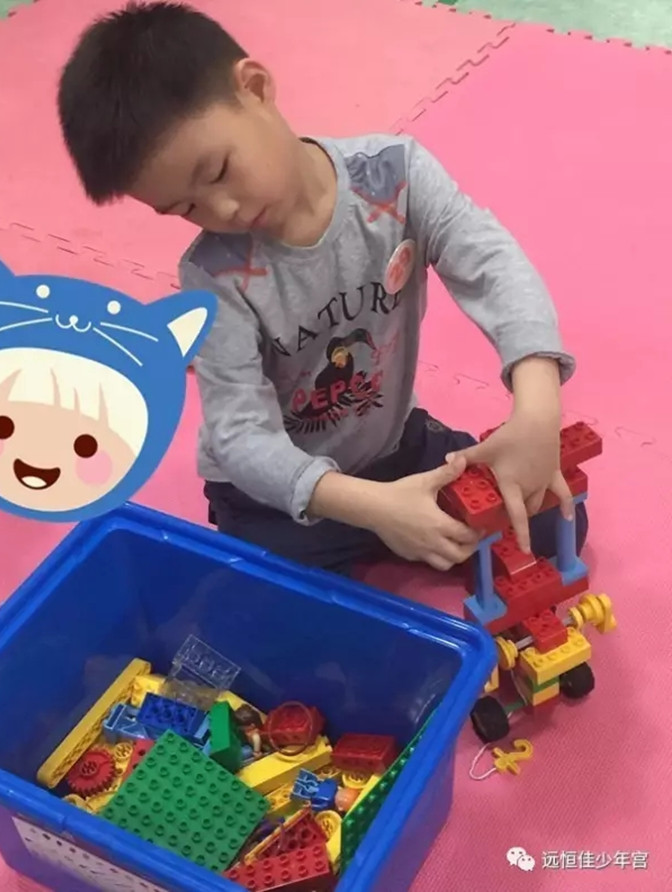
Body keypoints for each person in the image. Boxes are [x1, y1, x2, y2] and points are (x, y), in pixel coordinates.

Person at [56, 1, 588, 577]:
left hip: (391, 448)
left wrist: (537, 409)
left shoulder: (395, 176)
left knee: (553, 523)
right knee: (285, 614)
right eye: (185, 207)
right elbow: (240, 436)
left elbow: (493, 265)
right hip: (280, 498)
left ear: (255, 88)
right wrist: (375, 510)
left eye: (217, 172)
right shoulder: (213, 277)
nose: (222, 210)